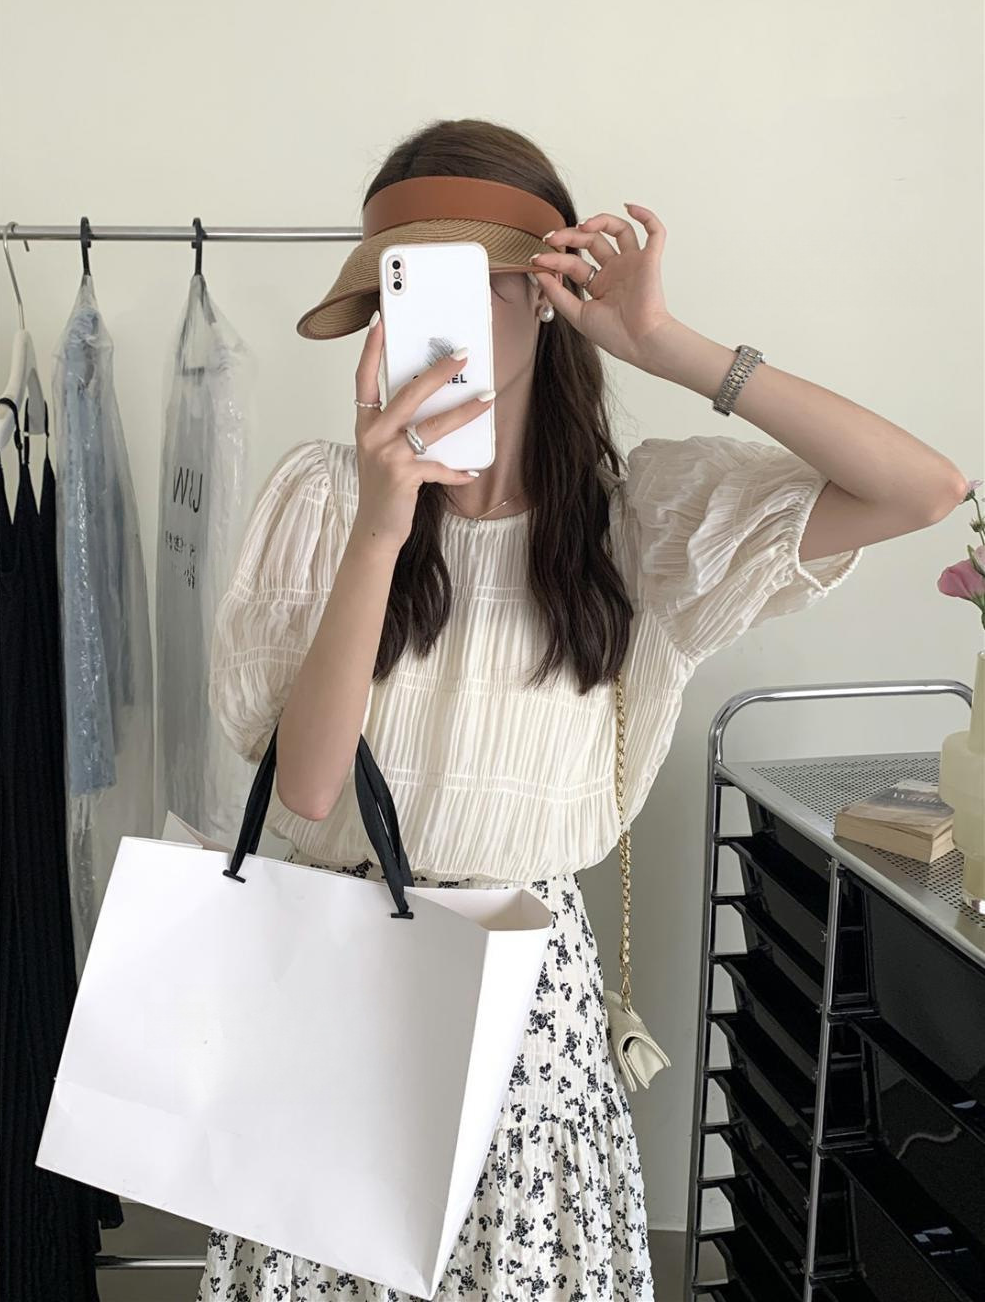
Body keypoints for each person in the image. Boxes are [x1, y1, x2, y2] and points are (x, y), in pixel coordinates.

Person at [195, 119, 965, 1302]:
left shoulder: (638, 520)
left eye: (479, 280)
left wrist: (667, 343)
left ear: (548, 295)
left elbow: (924, 488)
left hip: (527, 1015)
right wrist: (382, 523)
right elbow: (305, 791)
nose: (441, 320)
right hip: (340, 981)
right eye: (407, 286)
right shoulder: (322, 500)